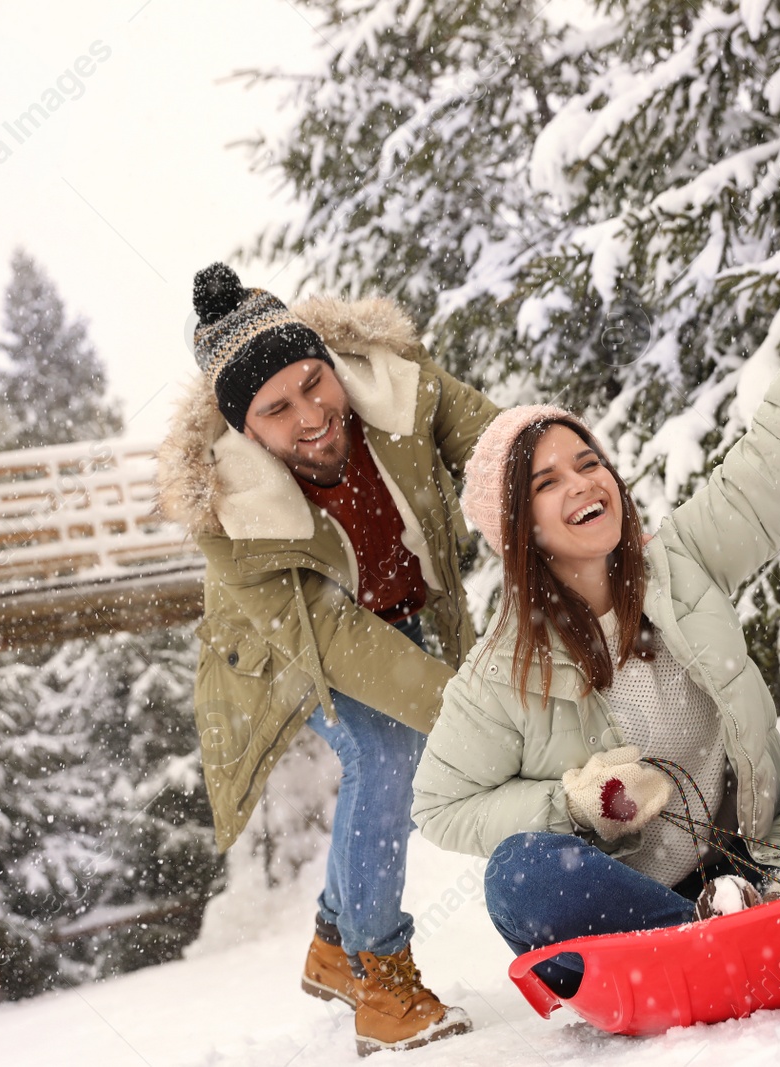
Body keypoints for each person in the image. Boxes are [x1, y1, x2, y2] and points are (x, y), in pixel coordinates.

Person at [410, 170, 780, 996]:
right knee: (519, 876)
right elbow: (439, 806)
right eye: (548, 480)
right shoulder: (499, 674)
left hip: (765, 866)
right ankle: (702, 942)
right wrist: (569, 804)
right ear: (521, 531)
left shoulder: (687, 561)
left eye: (589, 461)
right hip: (639, 908)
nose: (583, 482)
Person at [156, 263, 498, 1055]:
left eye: (316, 383)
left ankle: (332, 943)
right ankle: (379, 976)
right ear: (245, 430)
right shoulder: (229, 516)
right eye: (278, 409)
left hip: (403, 611)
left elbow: (496, 443)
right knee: (388, 754)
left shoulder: (398, 394)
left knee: (400, 747)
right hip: (287, 651)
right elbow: (334, 638)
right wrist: (471, 713)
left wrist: (550, 491)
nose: (313, 416)